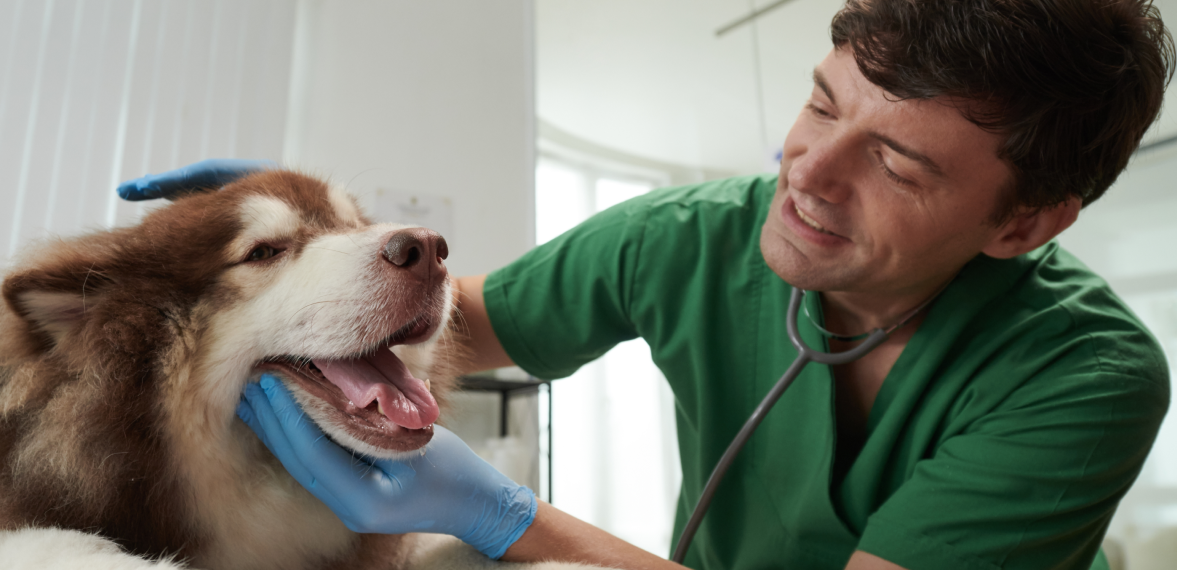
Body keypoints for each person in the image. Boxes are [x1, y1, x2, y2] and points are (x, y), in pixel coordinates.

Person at [119, 1, 1174, 568]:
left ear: (1023, 223)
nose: (805, 170)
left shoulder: (1084, 378)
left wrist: (506, 518)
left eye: (896, 164)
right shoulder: (691, 238)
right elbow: (467, 325)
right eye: (819, 104)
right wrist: (304, 263)